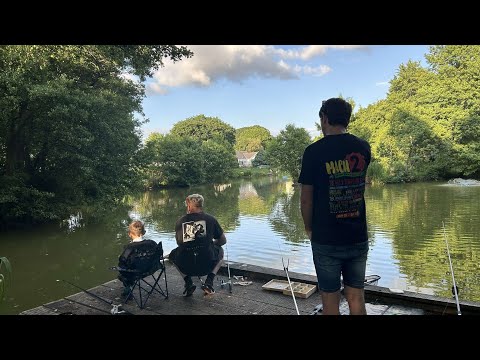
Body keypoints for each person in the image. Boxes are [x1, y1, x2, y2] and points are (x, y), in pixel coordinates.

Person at [298, 98, 371, 315]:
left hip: (326, 238)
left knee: (330, 302)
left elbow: (305, 200)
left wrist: (309, 228)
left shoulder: (313, 152)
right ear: (347, 119)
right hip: (357, 235)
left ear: (325, 118)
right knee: (356, 297)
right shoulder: (363, 147)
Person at [168, 194, 227, 296]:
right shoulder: (211, 219)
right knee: (220, 251)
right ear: (201, 205)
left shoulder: (180, 221)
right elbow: (223, 241)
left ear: (189, 206)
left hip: (186, 265)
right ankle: (209, 282)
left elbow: (179, 243)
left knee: (172, 255)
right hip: (206, 264)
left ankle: (188, 282)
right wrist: (211, 244)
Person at [117, 220, 158, 298]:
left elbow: (122, 262)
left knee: (122, 273)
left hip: (135, 273)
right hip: (151, 269)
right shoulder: (152, 243)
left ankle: (128, 290)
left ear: (129, 234)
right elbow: (159, 255)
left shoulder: (129, 248)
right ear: (144, 232)